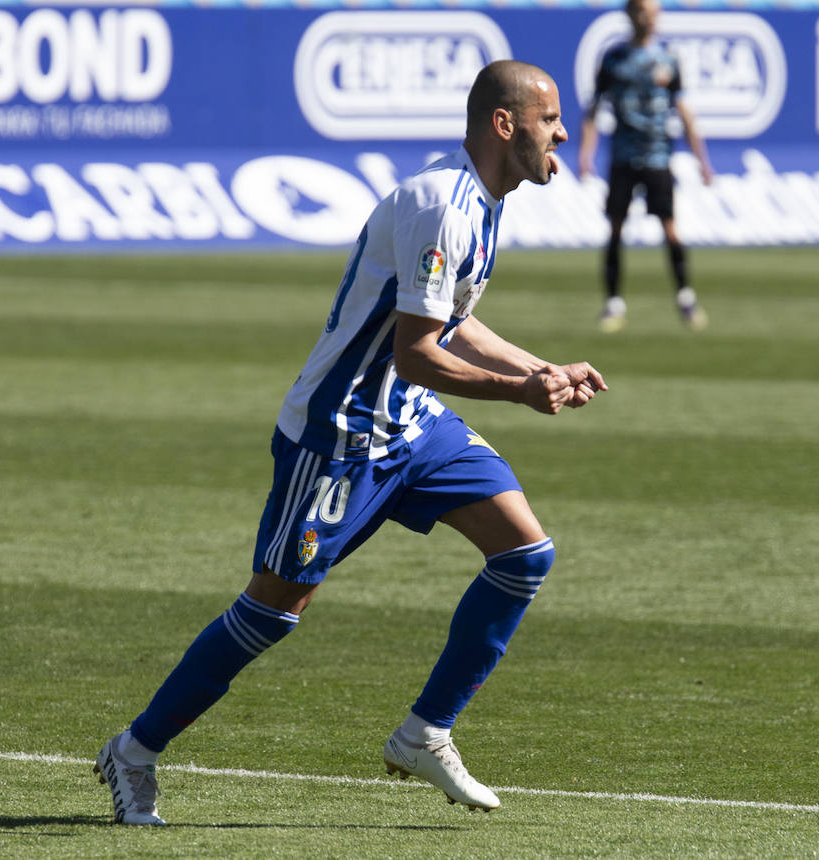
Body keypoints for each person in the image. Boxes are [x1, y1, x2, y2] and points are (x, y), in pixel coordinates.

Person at [95, 59, 606, 825]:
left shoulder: (481, 198)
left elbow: (452, 322)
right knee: (273, 612)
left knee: (524, 553)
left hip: (413, 425)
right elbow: (415, 352)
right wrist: (518, 392)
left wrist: (540, 367)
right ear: (505, 125)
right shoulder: (441, 205)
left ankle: (425, 732)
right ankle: (132, 753)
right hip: (339, 434)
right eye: (550, 118)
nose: (564, 131)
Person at [578, 0, 713, 334]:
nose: (652, 17)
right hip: (623, 156)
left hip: (658, 156)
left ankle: (685, 297)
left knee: (670, 228)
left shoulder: (667, 58)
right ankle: (613, 304)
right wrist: (585, 154)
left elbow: (683, 110)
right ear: (631, 14)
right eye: (645, 11)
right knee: (616, 228)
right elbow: (595, 109)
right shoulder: (615, 58)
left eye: (656, 11)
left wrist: (702, 159)